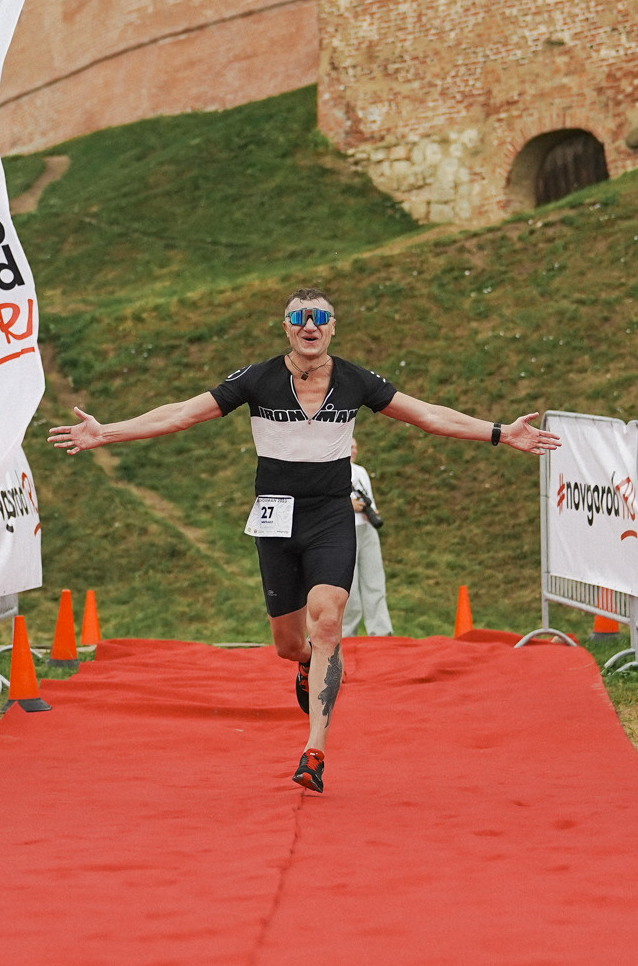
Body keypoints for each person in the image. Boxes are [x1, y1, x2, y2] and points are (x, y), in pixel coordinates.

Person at [48, 287, 558, 794]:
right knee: (289, 643)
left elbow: (428, 415)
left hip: (331, 516)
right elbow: (182, 413)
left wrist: (499, 433)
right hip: (275, 521)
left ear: (334, 327)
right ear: (286, 326)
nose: (309, 326)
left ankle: (315, 749)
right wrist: (108, 432)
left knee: (329, 620)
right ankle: (303, 663)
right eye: (299, 318)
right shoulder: (258, 378)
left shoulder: (357, 380)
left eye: (320, 318)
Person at [345, 447, 391, 638]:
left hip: (367, 529)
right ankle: (346, 633)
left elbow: (370, 501)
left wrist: (372, 512)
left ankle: (381, 631)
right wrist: (348, 505)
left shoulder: (361, 471)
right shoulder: (330, 472)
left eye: (356, 447)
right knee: (349, 586)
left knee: (375, 580)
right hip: (345, 529)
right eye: (350, 446)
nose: (354, 450)